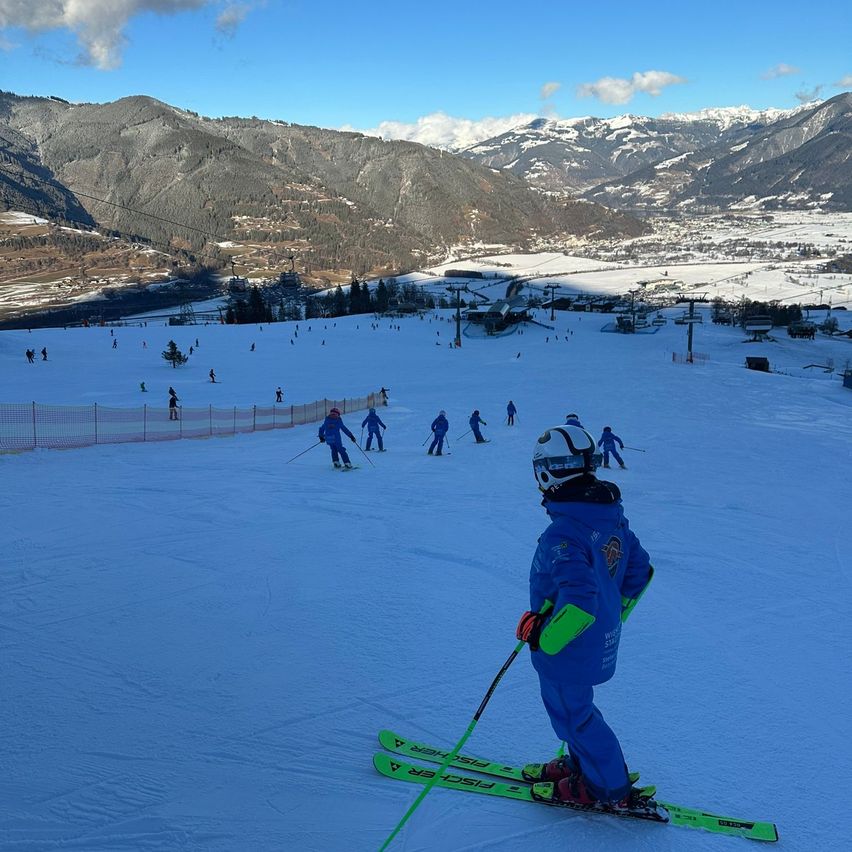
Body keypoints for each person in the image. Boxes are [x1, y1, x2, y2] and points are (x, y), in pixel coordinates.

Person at [515, 424, 654, 813]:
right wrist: (614, 617)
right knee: (574, 711)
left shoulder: (564, 533)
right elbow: (639, 571)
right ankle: (585, 763)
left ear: (546, 473)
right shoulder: (607, 517)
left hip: (568, 650)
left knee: (574, 717)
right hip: (593, 641)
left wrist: (544, 636)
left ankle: (607, 786)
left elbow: (577, 604)